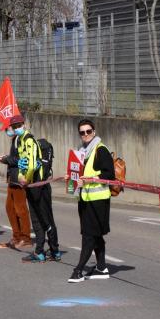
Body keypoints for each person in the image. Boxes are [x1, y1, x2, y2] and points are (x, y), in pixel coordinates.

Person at [68, 119, 115, 282]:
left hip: (98, 201)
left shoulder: (100, 150)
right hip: (85, 200)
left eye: (88, 131)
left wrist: (90, 180)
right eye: (82, 132)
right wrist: (72, 177)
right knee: (94, 235)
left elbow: (110, 175)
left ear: (94, 132)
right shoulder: (82, 152)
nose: (86, 134)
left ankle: (78, 270)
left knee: (89, 235)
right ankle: (101, 268)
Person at [0, 119, 32, 249]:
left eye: (9, 128)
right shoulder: (16, 140)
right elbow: (16, 158)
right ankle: (16, 235)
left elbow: (22, 159)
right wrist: (7, 158)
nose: (8, 131)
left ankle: (26, 237)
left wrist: (6, 159)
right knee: (10, 208)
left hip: (19, 179)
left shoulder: (23, 139)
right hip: (13, 179)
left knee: (20, 209)